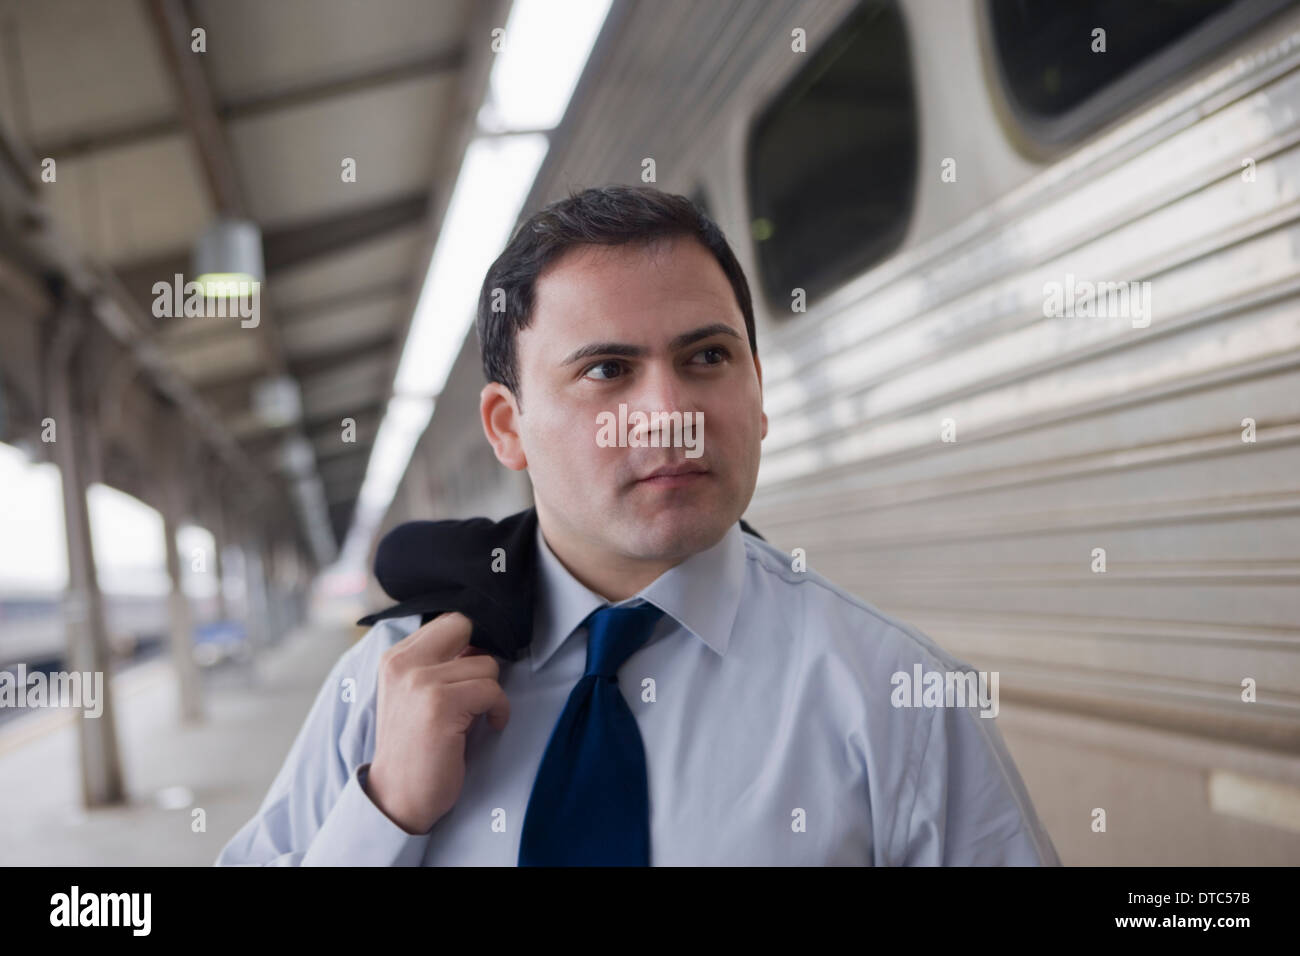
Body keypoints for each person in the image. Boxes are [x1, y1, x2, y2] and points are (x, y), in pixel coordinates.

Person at [215, 184, 1060, 866]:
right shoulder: (386, 688)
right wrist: (384, 815)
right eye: (608, 370)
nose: (669, 415)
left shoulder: (893, 698)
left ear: (757, 392)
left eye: (706, 358)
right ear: (507, 427)